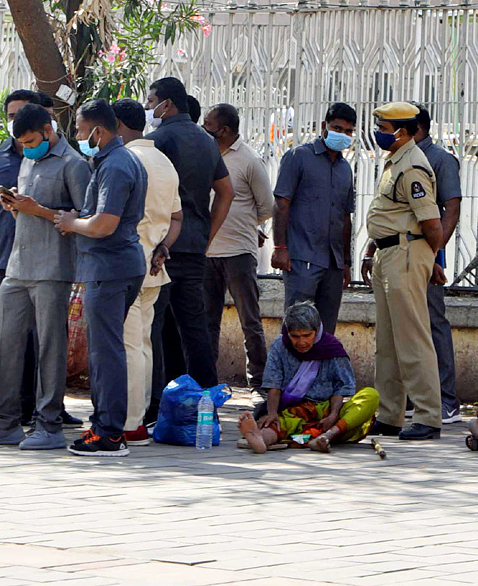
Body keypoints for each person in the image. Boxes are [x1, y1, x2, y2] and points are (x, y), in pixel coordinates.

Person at [0, 103, 90, 450]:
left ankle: (49, 423)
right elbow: (27, 210)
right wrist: (15, 206)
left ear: (49, 130)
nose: (27, 147)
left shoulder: (74, 165)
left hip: (53, 268)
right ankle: (6, 420)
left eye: (32, 139)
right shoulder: (27, 162)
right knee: (5, 342)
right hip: (17, 264)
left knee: (50, 346)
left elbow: (84, 218)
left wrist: (38, 210)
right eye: (21, 142)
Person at [55, 100, 147, 458]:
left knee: (105, 352)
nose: (78, 138)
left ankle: (109, 432)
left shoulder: (116, 166)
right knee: (106, 349)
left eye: (80, 131)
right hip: (116, 266)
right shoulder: (117, 161)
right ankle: (104, 425)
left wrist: (71, 223)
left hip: (110, 269)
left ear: (98, 132)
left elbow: (104, 224)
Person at [370, 104, 463, 425]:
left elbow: (433, 222)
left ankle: (426, 416)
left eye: (383, 127)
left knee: (413, 340)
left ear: (403, 132)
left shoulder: (412, 166)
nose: (378, 132)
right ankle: (390, 413)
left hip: (406, 255)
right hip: (389, 255)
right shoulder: (395, 161)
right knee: (388, 342)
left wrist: (428, 258)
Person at [145, 76, 233, 395]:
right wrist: (207, 233)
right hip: (195, 246)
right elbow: (226, 192)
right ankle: (206, 396)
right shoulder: (207, 141)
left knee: (154, 326)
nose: (148, 107)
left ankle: (155, 402)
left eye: (151, 101)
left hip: (162, 247)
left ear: (167, 104)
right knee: (194, 327)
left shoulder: (159, 140)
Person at [111, 98, 181, 446]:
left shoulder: (124, 160)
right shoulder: (164, 162)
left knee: (128, 346)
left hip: (125, 265)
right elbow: (177, 217)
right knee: (143, 344)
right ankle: (136, 421)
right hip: (155, 264)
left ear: (117, 126)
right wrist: (164, 247)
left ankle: (128, 423)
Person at [237, 301, 380, 454]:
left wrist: (333, 415)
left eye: (307, 335)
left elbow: (340, 387)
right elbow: (274, 385)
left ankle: (326, 437)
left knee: (370, 396)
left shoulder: (332, 348)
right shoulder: (280, 346)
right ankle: (260, 439)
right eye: (295, 336)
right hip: (292, 410)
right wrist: (272, 413)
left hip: (328, 413)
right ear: (287, 332)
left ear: (317, 331)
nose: (301, 342)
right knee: (277, 424)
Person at [0, 89, 44, 425]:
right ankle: (8, 409)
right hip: (5, 257)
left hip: (43, 261)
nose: (15, 121)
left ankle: (42, 407)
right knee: (4, 335)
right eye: (10, 115)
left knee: (41, 336)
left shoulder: (53, 158)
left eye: (22, 114)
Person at [202, 103, 273, 392]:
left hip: (239, 253)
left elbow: (266, 206)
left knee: (250, 321)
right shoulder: (204, 154)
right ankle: (205, 382)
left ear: (225, 130)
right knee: (207, 324)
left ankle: (259, 383)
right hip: (207, 252)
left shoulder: (248, 160)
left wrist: (245, 223)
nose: (203, 128)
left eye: (208, 124)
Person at [272, 102, 357, 333]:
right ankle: (290, 371)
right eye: (338, 128)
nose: (343, 135)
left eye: (349, 132)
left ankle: (320, 371)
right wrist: (280, 247)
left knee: (325, 332)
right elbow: (281, 203)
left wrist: (346, 262)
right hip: (301, 259)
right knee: (297, 327)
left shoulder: (345, 169)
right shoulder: (298, 157)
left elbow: (345, 216)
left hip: (334, 263)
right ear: (324, 126)